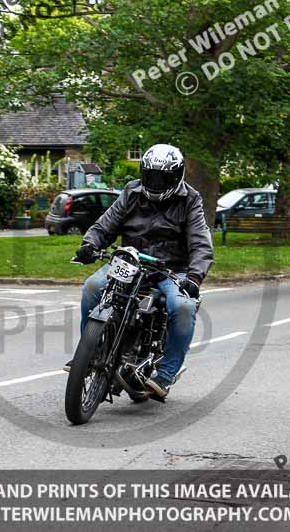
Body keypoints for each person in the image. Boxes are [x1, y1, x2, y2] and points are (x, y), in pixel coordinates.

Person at [66, 144, 214, 398]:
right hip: (131, 262)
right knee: (92, 286)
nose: (155, 182)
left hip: (170, 268)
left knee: (184, 306)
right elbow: (105, 224)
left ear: (176, 176)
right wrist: (89, 245)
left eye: (162, 177)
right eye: (151, 175)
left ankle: (166, 375)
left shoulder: (190, 200)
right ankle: (89, 354)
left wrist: (194, 277)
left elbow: (200, 242)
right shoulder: (132, 192)